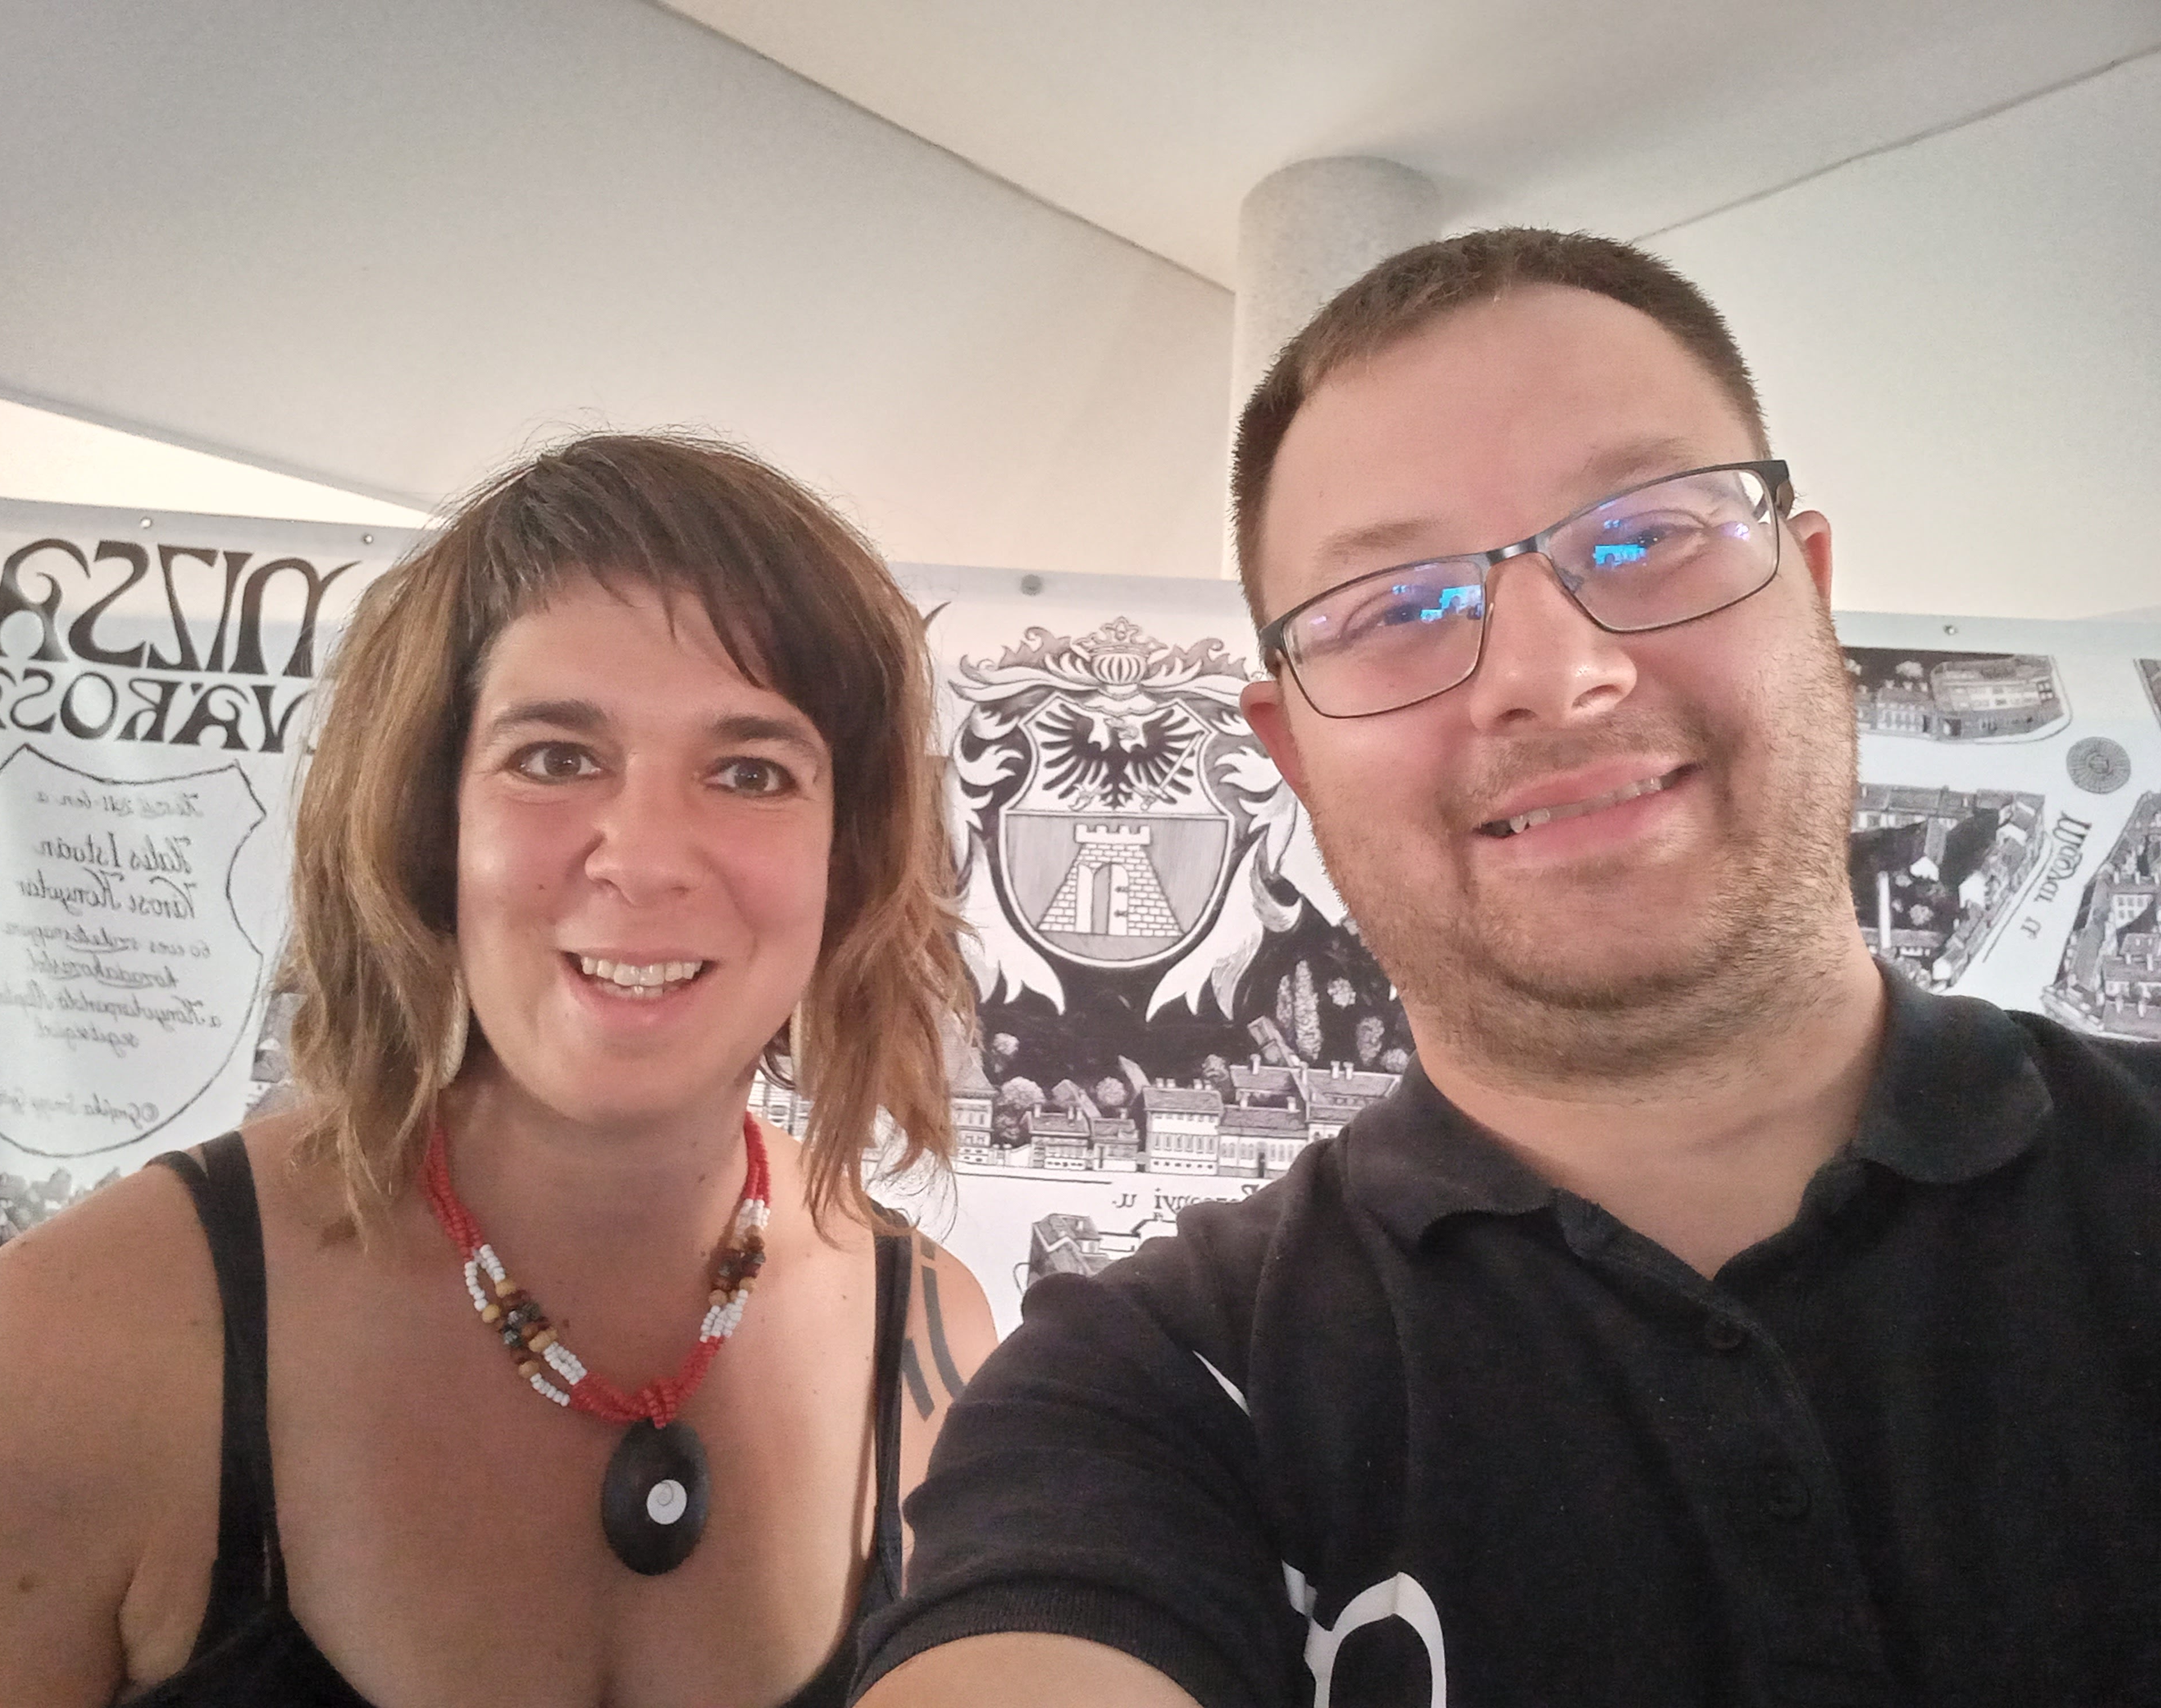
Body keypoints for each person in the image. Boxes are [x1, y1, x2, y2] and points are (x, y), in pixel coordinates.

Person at [852, 230, 2161, 1707]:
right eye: (1396, 609)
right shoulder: (1152, 1386)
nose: (1554, 673)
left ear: (1808, 593)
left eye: (1647, 537)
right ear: (1290, 752)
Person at [0, 432, 997, 1706]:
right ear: (428, 824)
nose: (644, 858)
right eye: (555, 757)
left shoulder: (941, 1347)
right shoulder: (79, 1339)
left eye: (751, 772)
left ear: (848, 855)